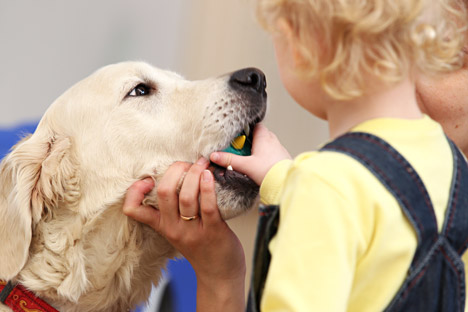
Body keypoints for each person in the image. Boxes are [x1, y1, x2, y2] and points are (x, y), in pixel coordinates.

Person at [123, 0, 468, 311]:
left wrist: (309, 189)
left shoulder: (323, 189)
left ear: (302, 45)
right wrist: (284, 177)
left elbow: (339, 201)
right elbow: (384, 211)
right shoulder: (450, 164)